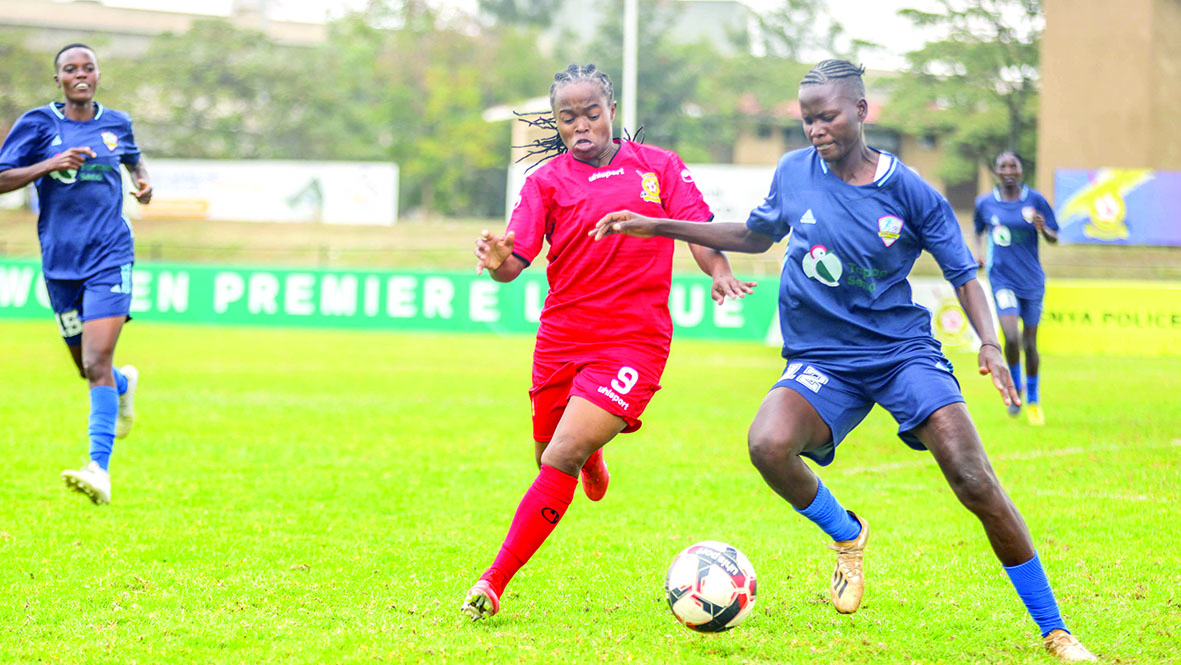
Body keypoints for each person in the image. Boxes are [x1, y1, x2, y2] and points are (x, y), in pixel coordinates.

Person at [593, 60, 1094, 662]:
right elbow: (756, 236)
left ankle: (1054, 628)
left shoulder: (910, 191)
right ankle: (847, 535)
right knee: (767, 444)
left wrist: (989, 342)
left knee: (972, 477)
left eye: (826, 116)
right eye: (806, 119)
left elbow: (963, 272)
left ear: (862, 110)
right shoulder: (793, 172)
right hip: (823, 357)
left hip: (899, 352)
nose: (815, 129)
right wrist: (657, 226)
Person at [460, 63, 754, 621]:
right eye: (567, 117)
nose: (581, 124)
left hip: (632, 343)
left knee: (560, 453)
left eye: (591, 112)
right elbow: (514, 262)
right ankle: (590, 454)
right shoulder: (545, 183)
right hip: (561, 338)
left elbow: (698, 228)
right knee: (548, 456)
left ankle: (492, 582)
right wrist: (498, 262)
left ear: (611, 110)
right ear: (558, 121)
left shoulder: (658, 168)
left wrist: (718, 270)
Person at [0, 43, 152, 505]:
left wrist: (142, 182)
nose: (80, 75)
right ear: (59, 80)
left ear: (98, 75)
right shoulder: (38, 125)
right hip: (60, 264)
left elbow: (133, 159)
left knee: (94, 361)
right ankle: (122, 386)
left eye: (88, 67)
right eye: (70, 69)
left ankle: (98, 469)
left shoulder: (116, 123)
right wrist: (49, 164)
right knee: (88, 367)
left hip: (110, 255)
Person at [974, 151, 1058, 425]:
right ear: (996, 171)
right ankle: (1015, 389)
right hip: (1002, 279)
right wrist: (978, 254)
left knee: (1030, 344)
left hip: (1032, 281)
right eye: (1003, 166)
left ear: (1021, 170)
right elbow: (977, 230)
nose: (1009, 170)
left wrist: (1043, 229)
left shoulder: (1035, 200)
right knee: (1010, 337)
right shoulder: (985, 203)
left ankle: (1033, 400)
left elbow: (1054, 237)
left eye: (1014, 165)